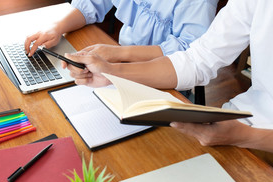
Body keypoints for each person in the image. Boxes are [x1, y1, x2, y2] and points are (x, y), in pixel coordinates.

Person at [63, 0, 273, 153]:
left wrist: (247, 137)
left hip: (256, 139)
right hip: (239, 122)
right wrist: (113, 73)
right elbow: (198, 58)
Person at [24, 0, 219, 62]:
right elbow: (93, 3)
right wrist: (57, 27)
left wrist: (118, 54)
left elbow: (188, 51)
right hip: (119, 59)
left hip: (164, 73)